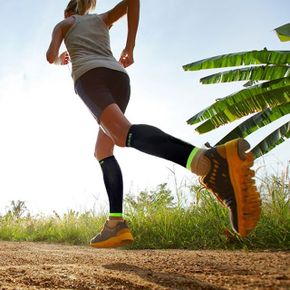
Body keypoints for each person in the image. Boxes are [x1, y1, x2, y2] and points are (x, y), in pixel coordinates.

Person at [46, 0, 261, 248]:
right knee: (103, 151)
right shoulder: (100, 19)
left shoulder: (64, 23)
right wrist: (129, 48)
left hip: (89, 76)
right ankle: (115, 224)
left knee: (122, 133)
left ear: (68, 11)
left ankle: (208, 162)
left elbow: (51, 56)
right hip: (119, 77)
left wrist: (62, 59)